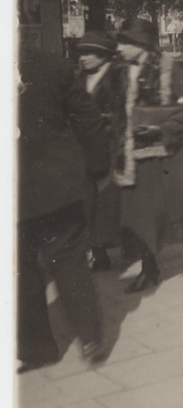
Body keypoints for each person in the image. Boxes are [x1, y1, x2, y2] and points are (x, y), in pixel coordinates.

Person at [18, 46, 112, 372]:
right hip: (56, 182)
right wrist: (99, 169)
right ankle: (90, 337)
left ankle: (35, 349)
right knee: (69, 260)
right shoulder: (50, 62)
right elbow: (88, 119)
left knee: (20, 270)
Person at [113, 18, 183, 293]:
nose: (119, 48)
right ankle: (149, 267)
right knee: (138, 210)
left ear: (140, 44)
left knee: (174, 201)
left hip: (167, 153)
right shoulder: (122, 71)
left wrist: (159, 128)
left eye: (125, 43)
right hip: (133, 150)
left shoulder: (169, 68)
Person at [74, 31, 124, 272]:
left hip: (111, 146)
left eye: (88, 53)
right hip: (85, 148)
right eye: (80, 53)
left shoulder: (117, 77)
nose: (82, 58)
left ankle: (124, 245)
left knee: (110, 200)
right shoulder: (77, 79)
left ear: (103, 56)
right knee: (88, 200)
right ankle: (99, 251)